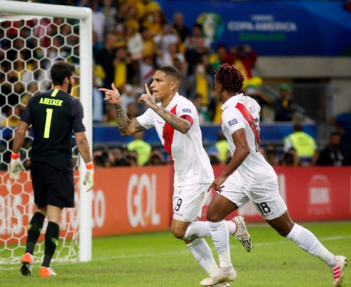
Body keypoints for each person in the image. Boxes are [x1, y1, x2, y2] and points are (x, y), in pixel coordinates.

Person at [100, 65, 252, 287]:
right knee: (188, 235)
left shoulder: (184, 105)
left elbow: (183, 125)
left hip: (197, 174)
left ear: (173, 85)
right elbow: (127, 129)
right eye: (152, 80)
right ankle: (222, 283)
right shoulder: (155, 109)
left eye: (158, 81)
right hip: (181, 175)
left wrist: (154, 107)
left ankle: (233, 227)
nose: (152, 85)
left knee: (178, 230)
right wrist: (118, 106)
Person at [203, 63, 347, 286]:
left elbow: (242, 148)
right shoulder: (250, 103)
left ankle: (333, 261)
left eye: (215, 85)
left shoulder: (230, 111)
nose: (214, 89)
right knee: (213, 214)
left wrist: (222, 176)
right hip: (244, 175)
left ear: (221, 86)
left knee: (286, 228)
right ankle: (225, 269)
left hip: (257, 178)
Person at [9, 61, 95, 278]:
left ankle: (28, 254)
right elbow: (81, 139)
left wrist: (14, 157)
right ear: (67, 80)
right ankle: (45, 266)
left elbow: (20, 131)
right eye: (73, 77)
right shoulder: (73, 104)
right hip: (59, 163)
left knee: (40, 208)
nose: (73, 80)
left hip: (37, 161)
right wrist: (90, 166)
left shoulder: (36, 98)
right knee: (55, 215)